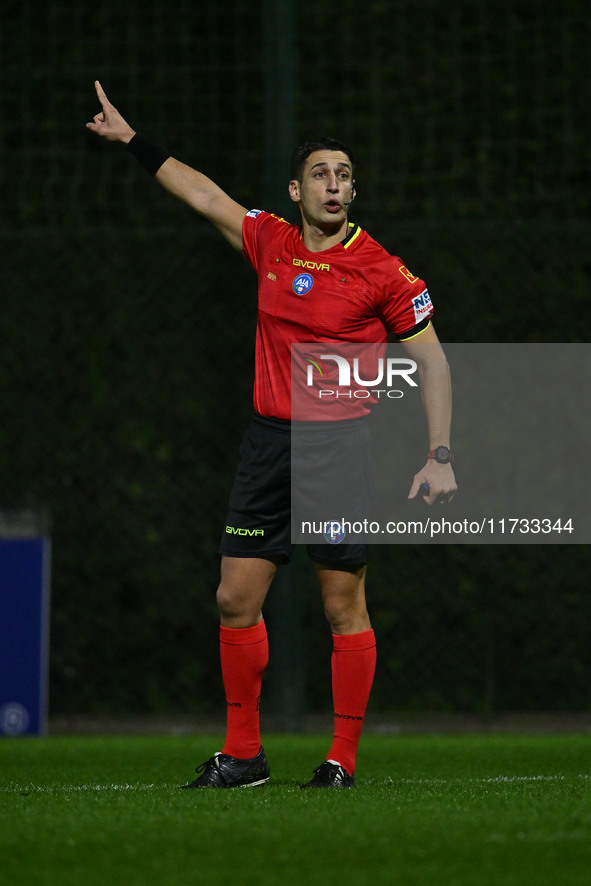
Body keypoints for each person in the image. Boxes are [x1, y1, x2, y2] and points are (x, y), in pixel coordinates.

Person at [87, 80, 456, 789]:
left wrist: (439, 454)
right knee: (233, 598)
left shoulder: (382, 271)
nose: (334, 184)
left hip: (338, 449)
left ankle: (339, 761)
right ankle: (245, 756)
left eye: (344, 174)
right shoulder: (270, 241)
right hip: (268, 446)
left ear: (353, 191)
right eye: (320, 172)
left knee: (341, 605)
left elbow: (433, 361)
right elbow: (203, 195)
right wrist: (134, 140)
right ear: (295, 188)